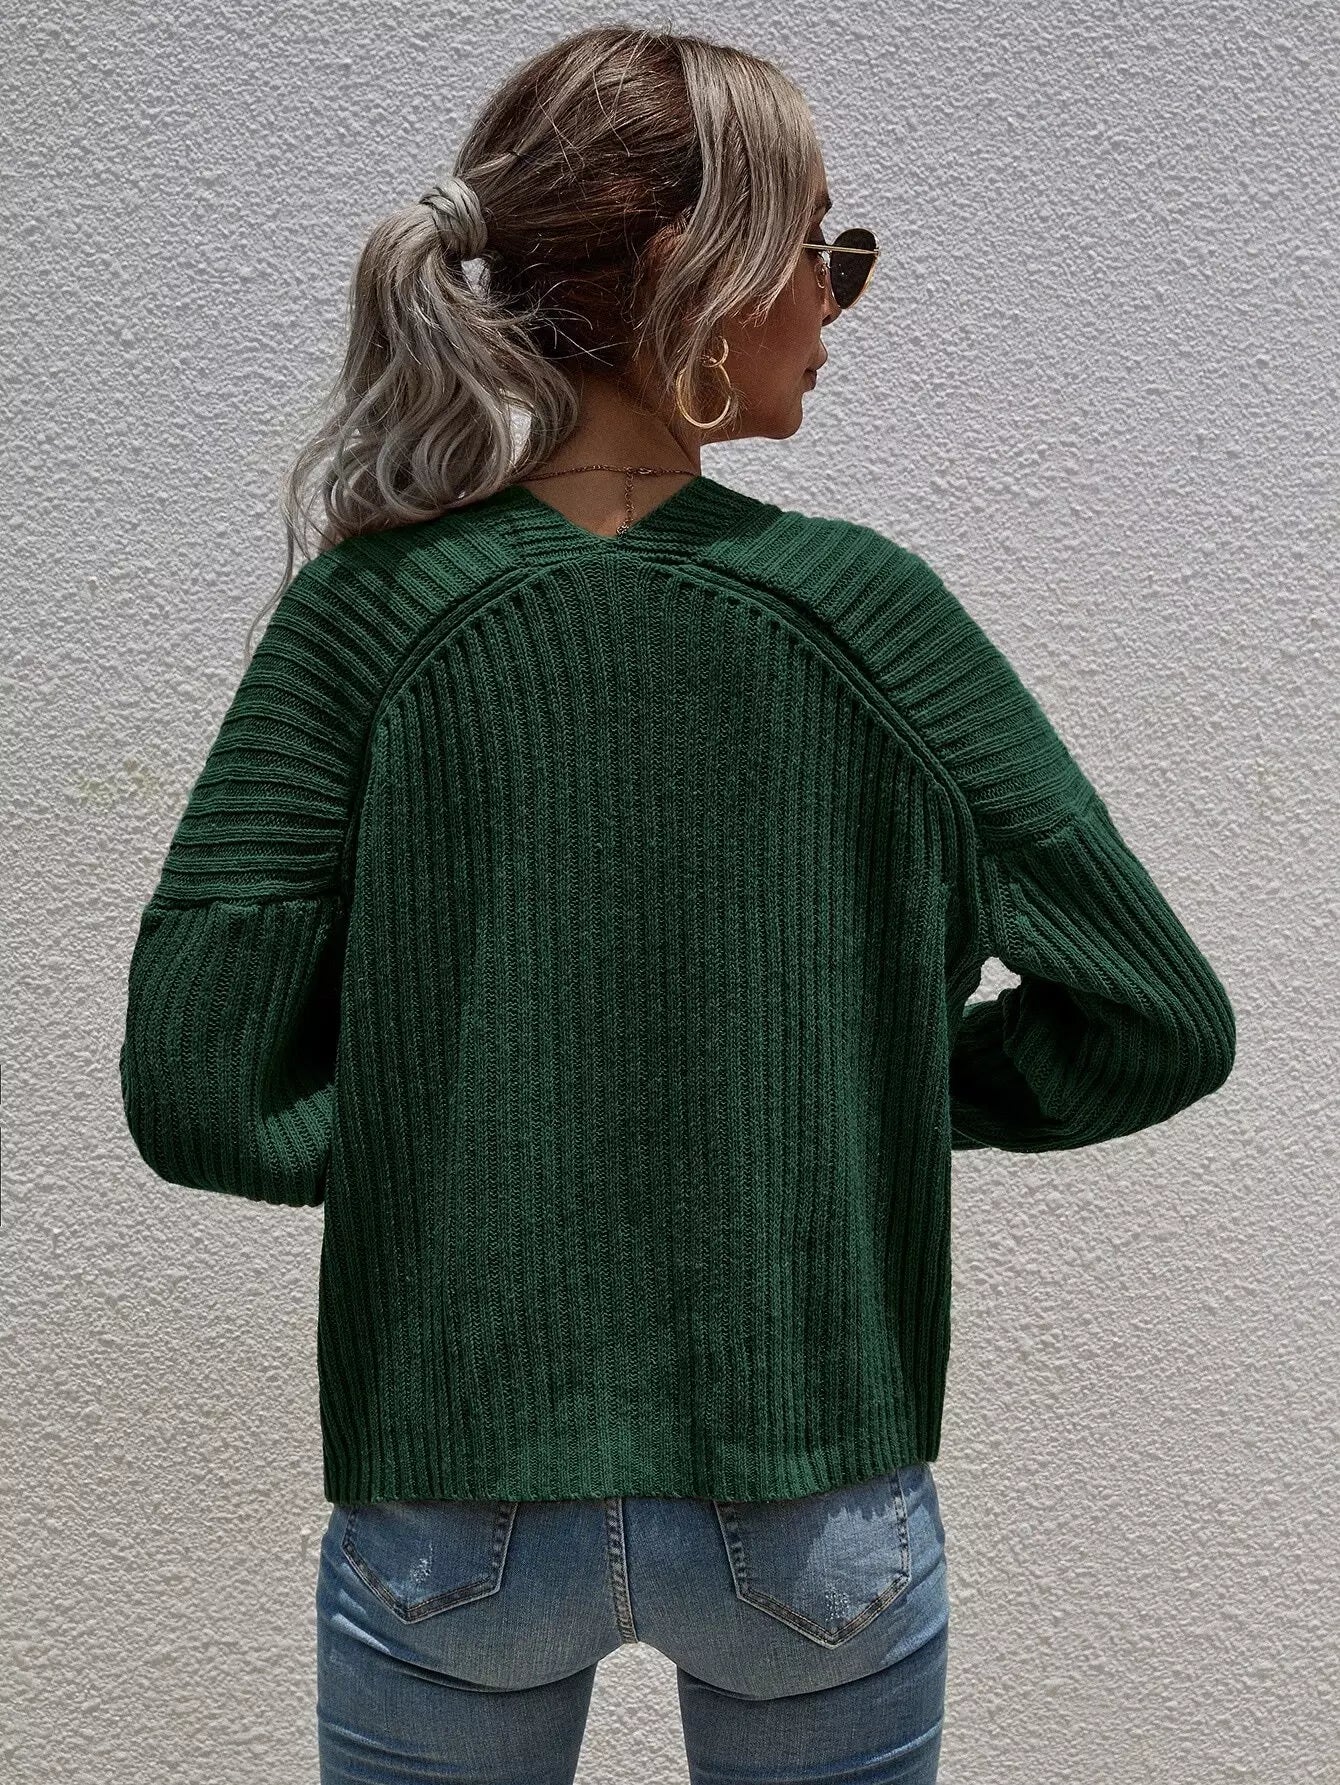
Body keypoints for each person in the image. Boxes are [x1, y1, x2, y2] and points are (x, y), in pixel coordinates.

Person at [118, 24, 1237, 1785]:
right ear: (691, 265)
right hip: (811, 1503)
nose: (836, 301)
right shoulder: (873, 617)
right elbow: (1160, 1019)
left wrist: (465, 1131)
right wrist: (855, 1095)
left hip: (457, 1502)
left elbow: (197, 1081)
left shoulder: (369, 616)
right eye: (823, 248)